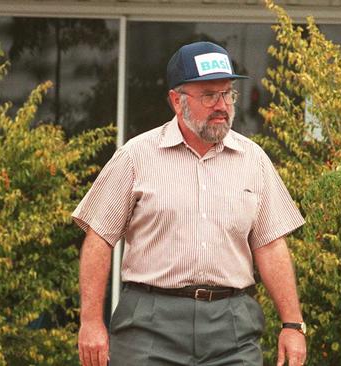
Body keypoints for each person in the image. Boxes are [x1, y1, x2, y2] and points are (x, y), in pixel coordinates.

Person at [72, 41, 307, 366]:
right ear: (176, 100)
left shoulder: (253, 160)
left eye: (227, 94)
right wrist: (91, 321)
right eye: (209, 95)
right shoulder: (135, 157)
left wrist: (293, 325)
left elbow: (270, 247)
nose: (222, 105)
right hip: (149, 326)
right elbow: (99, 239)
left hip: (232, 328)